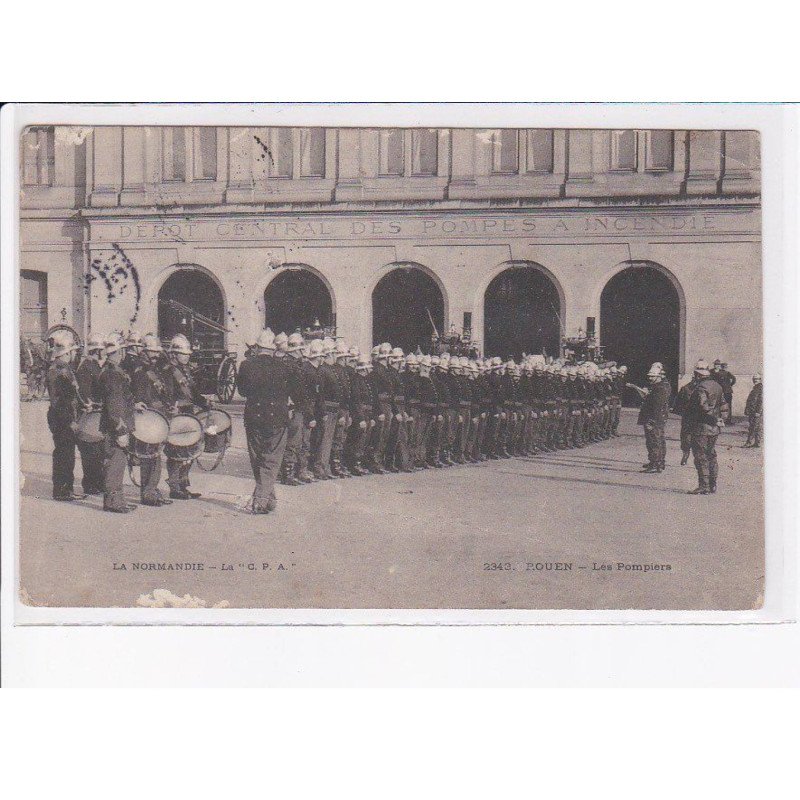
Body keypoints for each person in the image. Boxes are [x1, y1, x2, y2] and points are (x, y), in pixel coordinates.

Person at [236, 328, 299, 514]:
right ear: (274, 349)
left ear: (257, 347)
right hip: (277, 418)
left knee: (257, 458)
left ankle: (268, 499)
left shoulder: (246, 365)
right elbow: (295, 392)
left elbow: (242, 392)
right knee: (271, 460)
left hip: (254, 417)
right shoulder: (284, 367)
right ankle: (262, 501)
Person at [164, 333, 210, 499]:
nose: (186, 357)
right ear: (174, 354)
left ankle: (183, 485)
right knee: (176, 450)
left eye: (187, 354)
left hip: (188, 412)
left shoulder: (185, 370)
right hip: (177, 414)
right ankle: (174, 487)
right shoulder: (168, 372)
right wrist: (171, 407)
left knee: (189, 450)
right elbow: (167, 395)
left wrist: (205, 403)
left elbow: (193, 393)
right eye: (183, 354)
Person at [131, 334, 174, 506]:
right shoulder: (139, 370)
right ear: (144, 351)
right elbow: (140, 395)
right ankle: (148, 493)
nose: (155, 355)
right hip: (146, 418)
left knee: (155, 455)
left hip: (157, 416)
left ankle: (152, 489)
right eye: (152, 352)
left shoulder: (156, 368)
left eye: (157, 352)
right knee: (148, 455)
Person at [98, 333, 136, 513]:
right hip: (116, 426)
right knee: (115, 462)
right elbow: (114, 405)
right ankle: (113, 501)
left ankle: (117, 499)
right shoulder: (113, 374)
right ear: (120, 352)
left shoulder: (110, 371)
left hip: (115, 424)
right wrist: (120, 430)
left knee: (117, 462)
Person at [45, 330, 84, 501]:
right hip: (62, 420)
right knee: (63, 455)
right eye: (73, 351)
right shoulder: (58, 370)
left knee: (67, 455)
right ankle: (62, 491)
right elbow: (59, 401)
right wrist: (69, 421)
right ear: (67, 352)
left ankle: (66, 489)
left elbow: (71, 395)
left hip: (65, 418)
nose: (74, 354)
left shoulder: (64, 368)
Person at [686, 359, 728, 494]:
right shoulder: (717, 386)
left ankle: (704, 485)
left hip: (701, 427)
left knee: (701, 456)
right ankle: (712, 484)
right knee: (711, 455)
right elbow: (724, 405)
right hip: (714, 429)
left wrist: (712, 419)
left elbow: (702, 407)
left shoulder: (700, 388)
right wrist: (720, 420)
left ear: (698, 374)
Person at [74, 335, 106, 495]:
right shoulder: (87, 367)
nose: (104, 353)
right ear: (97, 351)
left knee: (98, 451)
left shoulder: (93, 365)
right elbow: (84, 392)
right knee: (90, 452)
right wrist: (91, 403)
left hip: (97, 414)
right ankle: (90, 484)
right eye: (102, 350)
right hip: (89, 415)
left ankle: (97, 482)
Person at [637, 363, 671, 473]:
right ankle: (657, 461)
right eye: (650, 376)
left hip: (654, 418)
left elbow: (657, 406)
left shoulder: (660, 388)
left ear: (659, 376)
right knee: (656, 440)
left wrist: (652, 421)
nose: (650, 378)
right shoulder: (659, 386)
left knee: (654, 440)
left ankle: (656, 463)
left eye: (653, 376)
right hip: (656, 418)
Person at [672, 374, 698, 465]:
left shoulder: (705, 388)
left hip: (700, 417)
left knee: (698, 438)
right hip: (688, 417)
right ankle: (685, 454)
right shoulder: (686, 388)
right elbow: (678, 403)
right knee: (686, 437)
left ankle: (697, 457)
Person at [712, 360, 736, 424]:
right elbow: (734, 379)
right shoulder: (727, 373)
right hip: (728, 391)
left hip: (721, 391)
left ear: (720, 366)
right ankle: (728, 420)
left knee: (720, 406)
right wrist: (730, 385)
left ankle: (722, 420)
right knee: (728, 406)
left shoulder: (717, 373)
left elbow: (715, 382)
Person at [744, 374, 763, 448]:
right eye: (754, 379)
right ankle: (757, 443)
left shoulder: (760, 389)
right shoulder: (756, 388)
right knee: (756, 427)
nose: (755, 380)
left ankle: (749, 442)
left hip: (755, 412)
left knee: (753, 427)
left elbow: (761, 401)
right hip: (753, 411)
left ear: (760, 380)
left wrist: (758, 411)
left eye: (757, 379)